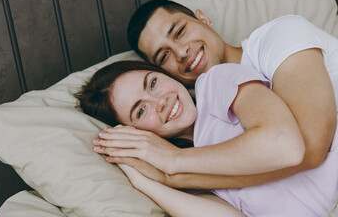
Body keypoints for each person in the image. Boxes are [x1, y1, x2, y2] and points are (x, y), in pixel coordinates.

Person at [93, 0, 338, 188]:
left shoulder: (279, 36)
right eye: (164, 56)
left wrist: (176, 168)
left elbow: (309, 150)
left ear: (203, 18)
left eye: (179, 32)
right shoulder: (209, 122)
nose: (181, 52)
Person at [75, 60, 338, 216]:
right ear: (136, 133)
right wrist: (141, 178)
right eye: (141, 110)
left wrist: (173, 161)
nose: (161, 102)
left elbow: (284, 146)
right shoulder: (185, 172)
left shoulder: (214, 83)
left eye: (153, 83)